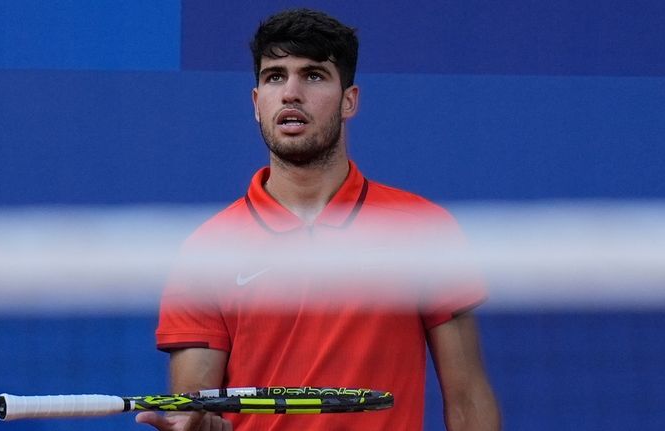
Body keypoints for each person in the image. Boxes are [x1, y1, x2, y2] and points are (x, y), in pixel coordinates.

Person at [137, 8, 500, 431]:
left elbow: (469, 399)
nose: (290, 93)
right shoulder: (209, 250)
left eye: (313, 75)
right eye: (274, 76)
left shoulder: (421, 229)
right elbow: (196, 403)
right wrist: (197, 424)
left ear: (350, 100)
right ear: (257, 103)